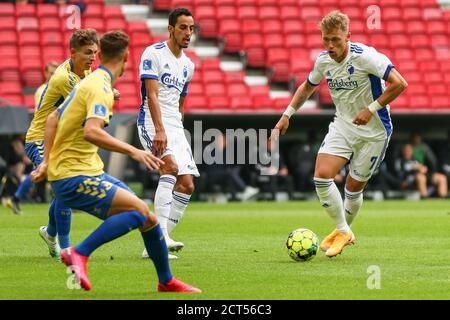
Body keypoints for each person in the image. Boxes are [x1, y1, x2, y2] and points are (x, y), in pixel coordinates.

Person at [31, 30, 200, 293]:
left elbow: (52, 119)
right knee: (136, 213)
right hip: (73, 175)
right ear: (126, 57)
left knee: (147, 217)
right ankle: (79, 253)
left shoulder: (92, 80)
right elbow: (92, 131)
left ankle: (166, 281)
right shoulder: (100, 87)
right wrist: (134, 151)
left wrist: (45, 162)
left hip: (82, 170)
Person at [271, 11, 408, 257]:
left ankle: (343, 230)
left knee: (353, 188)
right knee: (322, 176)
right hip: (343, 125)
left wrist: (371, 109)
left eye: (336, 39)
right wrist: (286, 115)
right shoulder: (323, 61)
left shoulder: (366, 57)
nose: (331, 45)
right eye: (326, 40)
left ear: (348, 37)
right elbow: (307, 87)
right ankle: (344, 230)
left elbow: (400, 83)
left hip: (374, 131)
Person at [24, 29, 100, 258]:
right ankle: (67, 249)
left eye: (95, 52)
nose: (93, 57)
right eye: (88, 52)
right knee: (65, 187)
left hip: (60, 141)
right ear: (73, 53)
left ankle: (51, 233)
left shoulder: (82, 73)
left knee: (63, 191)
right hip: (39, 139)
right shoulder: (64, 78)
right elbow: (86, 109)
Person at [137, 8, 198, 260]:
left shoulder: (188, 65)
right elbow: (151, 94)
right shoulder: (153, 53)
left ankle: (156, 242)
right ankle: (158, 243)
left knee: (187, 185)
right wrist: (160, 129)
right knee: (169, 168)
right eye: (183, 27)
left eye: (191, 28)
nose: (188, 33)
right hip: (152, 123)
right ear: (171, 29)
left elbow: (181, 101)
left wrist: (176, 126)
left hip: (173, 124)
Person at [6, 62, 59, 215]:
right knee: (45, 170)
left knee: (43, 169)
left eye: (56, 72)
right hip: (42, 136)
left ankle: (16, 198)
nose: (53, 75)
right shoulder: (42, 90)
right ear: (45, 74)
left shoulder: (58, 88)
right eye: (51, 73)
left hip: (54, 136)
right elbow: (43, 115)